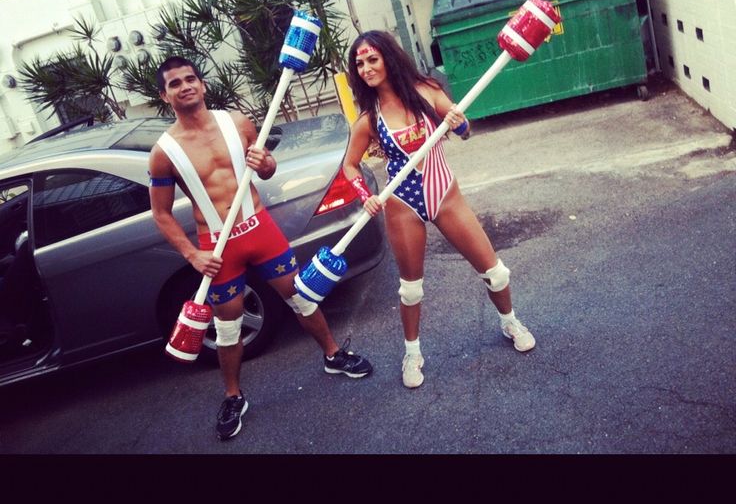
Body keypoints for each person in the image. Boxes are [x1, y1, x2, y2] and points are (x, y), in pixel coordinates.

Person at [149, 56, 372, 440]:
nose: (185, 86)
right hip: (217, 246)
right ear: (165, 94)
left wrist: (265, 160)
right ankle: (233, 395)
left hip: (259, 229)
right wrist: (192, 254)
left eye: (190, 79)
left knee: (302, 298)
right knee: (229, 325)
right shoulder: (164, 152)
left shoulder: (235, 123)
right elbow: (161, 213)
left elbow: (267, 169)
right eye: (175, 83)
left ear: (202, 85)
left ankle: (334, 355)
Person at [342, 32, 535, 389]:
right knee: (411, 290)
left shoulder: (427, 91)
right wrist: (363, 194)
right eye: (359, 63)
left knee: (496, 273)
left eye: (372, 59)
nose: (366, 68)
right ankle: (412, 352)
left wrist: (460, 123)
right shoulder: (368, 120)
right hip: (402, 205)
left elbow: (465, 130)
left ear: (388, 58)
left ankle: (509, 321)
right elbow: (350, 166)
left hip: (444, 193)